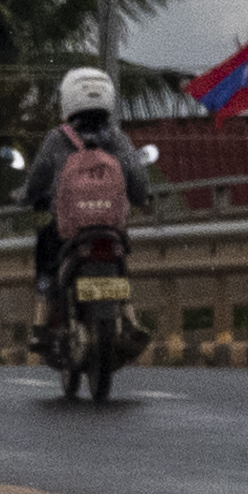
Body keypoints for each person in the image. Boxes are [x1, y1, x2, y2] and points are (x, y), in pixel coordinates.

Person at [19, 65, 150, 354]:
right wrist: (141, 198)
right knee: (118, 258)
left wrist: (25, 198)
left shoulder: (57, 139)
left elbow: (37, 179)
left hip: (67, 229)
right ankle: (129, 317)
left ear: (68, 99)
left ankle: (41, 322)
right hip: (109, 226)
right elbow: (139, 184)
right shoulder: (118, 139)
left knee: (46, 252)